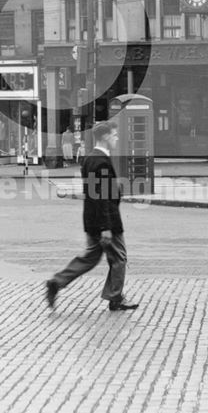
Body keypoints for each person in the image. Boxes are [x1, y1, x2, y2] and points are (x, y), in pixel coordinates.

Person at [44, 120, 139, 312]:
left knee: (90, 258)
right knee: (119, 258)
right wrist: (106, 228)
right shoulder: (101, 161)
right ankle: (115, 298)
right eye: (114, 134)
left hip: (91, 219)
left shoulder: (89, 158)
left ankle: (57, 281)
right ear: (104, 137)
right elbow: (102, 197)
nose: (116, 137)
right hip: (107, 221)